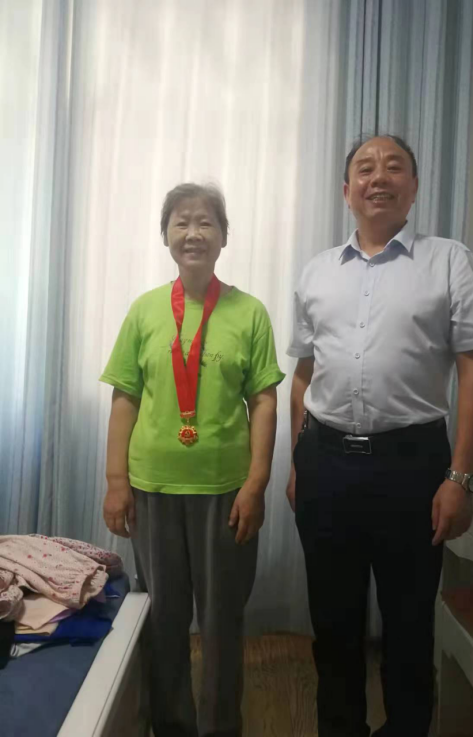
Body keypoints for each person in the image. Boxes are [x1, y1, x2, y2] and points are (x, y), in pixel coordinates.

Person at [287, 135, 473, 737]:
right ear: (347, 190)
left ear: (413, 187)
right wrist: (298, 459)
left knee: (408, 626)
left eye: (394, 167)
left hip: (413, 467)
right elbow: (303, 373)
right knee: (333, 625)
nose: (378, 177)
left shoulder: (448, 260)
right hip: (325, 463)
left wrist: (460, 477)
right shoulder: (317, 271)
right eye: (365, 168)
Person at [100, 183, 285, 737]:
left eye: (206, 222)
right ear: (166, 236)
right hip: (153, 487)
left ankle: (220, 727)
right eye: (181, 222)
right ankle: (171, 725)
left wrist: (256, 483)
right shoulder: (145, 310)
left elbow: (264, 401)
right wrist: (116, 481)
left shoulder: (249, 312)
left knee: (223, 621)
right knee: (163, 616)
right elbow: (125, 398)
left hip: (225, 491)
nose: (193, 233)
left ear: (224, 236)